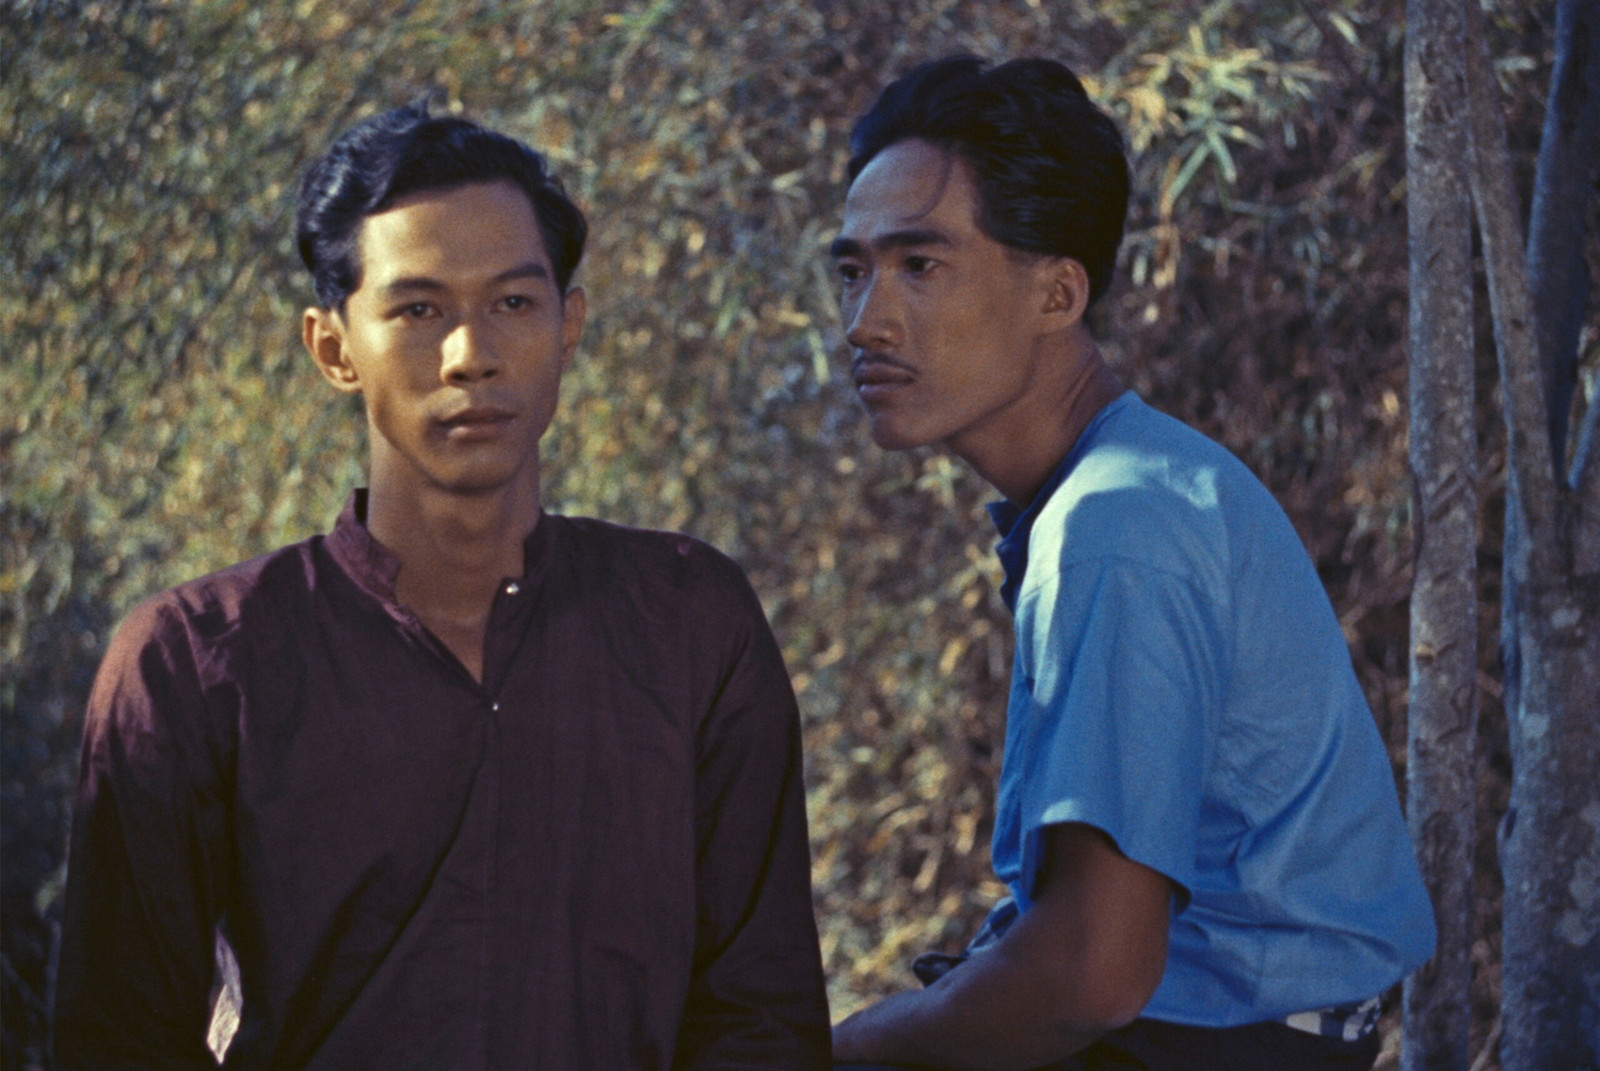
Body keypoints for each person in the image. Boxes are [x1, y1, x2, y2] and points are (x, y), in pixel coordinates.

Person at [53, 100, 831, 1070]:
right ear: (333, 347)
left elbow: (762, 1017)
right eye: (418, 310)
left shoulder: (688, 622)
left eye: (514, 303)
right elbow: (118, 1041)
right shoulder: (194, 662)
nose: (471, 355)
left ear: (569, 327)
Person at [825, 56, 1435, 1071]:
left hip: (1218, 1048)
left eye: (920, 266)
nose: (866, 321)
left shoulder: (1116, 525)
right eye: (852, 271)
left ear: (1057, 293)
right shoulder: (1120, 484)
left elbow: (1092, 974)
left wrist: (836, 1050)